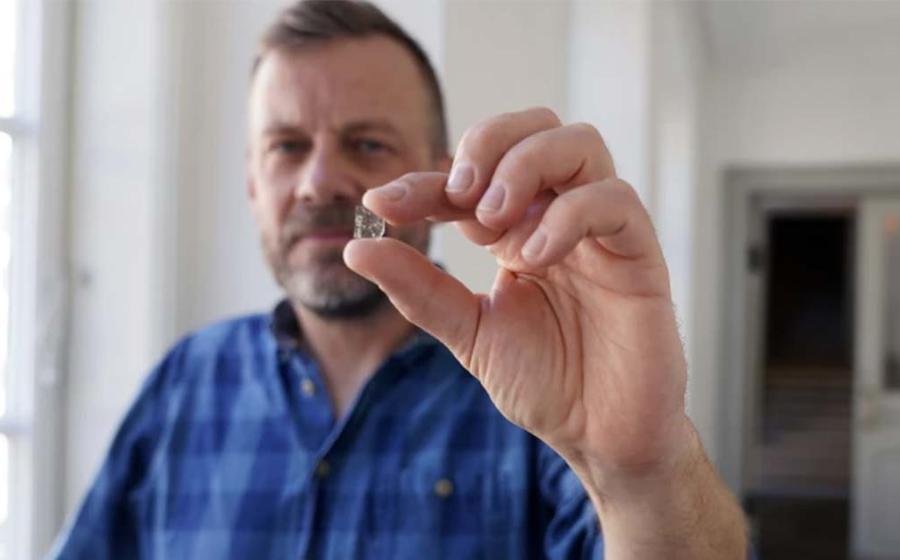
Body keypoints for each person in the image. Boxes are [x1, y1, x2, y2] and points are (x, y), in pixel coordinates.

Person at [52, 1, 750, 558]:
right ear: (250, 180)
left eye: (367, 144)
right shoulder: (182, 385)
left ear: (441, 177)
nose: (319, 182)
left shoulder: (537, 400)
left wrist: (642, 473)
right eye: (286, 147)